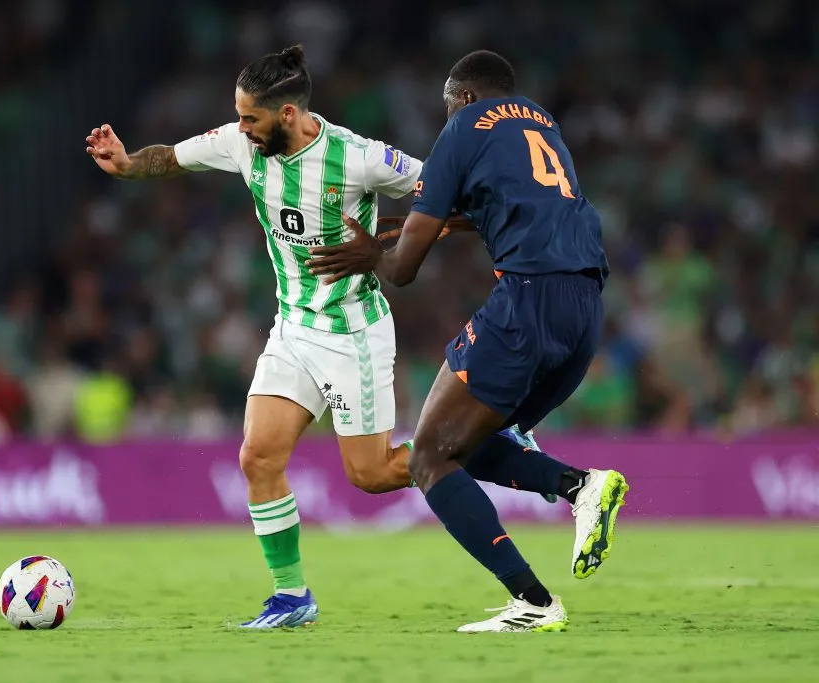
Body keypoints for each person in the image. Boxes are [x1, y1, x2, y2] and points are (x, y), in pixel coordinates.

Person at [87, 45, 560, 630]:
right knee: (258, 456)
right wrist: (128, 161)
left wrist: (393, 246)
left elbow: (449, 195)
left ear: (287, 114)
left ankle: (490, 440)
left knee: (374, 474)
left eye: (250, 119)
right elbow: (171, 158)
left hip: (352, 333)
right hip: (291, 331)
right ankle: (292, 597)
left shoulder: (357, 157)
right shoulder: (241, 145)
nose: (241, 129)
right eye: (238, 117)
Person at [307, 50, 629, 633]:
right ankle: (579, 487)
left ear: (464, 97)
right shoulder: (543, 125)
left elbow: (403, 270)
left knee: (429, 454)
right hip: (584, 311)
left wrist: (372, 255)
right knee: (469, 446)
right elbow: (496, 207)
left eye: (448, 105)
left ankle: (532, 602)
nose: (446, 117)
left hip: (527, 301)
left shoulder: (463, 127)